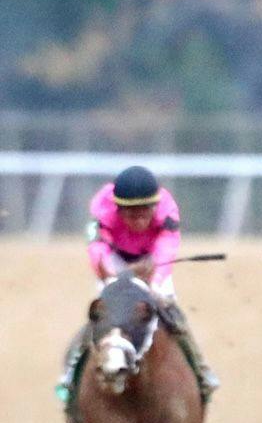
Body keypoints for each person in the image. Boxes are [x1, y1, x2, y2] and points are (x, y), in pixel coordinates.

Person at [57, 165, 218, 403]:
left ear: (155, 206)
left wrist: (155, 277)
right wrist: (110, 274)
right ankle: (71, 375)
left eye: (145, 214)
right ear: (118, 210)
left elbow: (166, 246)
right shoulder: (103, 207)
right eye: (132, 215)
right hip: (115, 259)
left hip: (150, 260)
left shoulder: (167, 208)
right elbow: (97, 247)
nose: (140, 221)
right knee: (103, 314)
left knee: (168, 308)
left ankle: (201, 370)